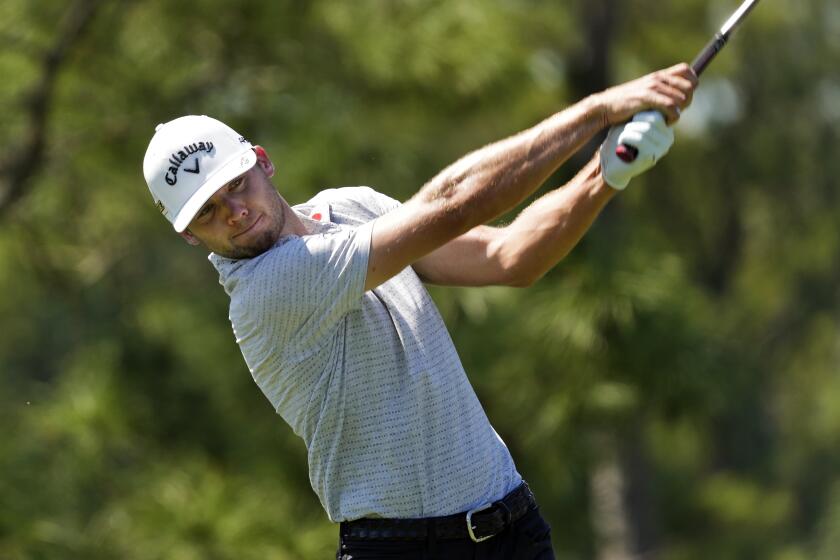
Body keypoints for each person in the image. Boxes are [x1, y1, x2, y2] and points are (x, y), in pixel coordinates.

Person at [142, 63, 697, 559]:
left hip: (512, 526)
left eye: (236, 185)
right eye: (208, 212)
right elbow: (455, 203)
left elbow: (510, 258)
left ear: (262, 162)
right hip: (402, 549)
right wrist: (598, 110)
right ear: (190, 237)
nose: (234, 212)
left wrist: (606, 171)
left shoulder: (352, 208)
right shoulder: (267, 291)